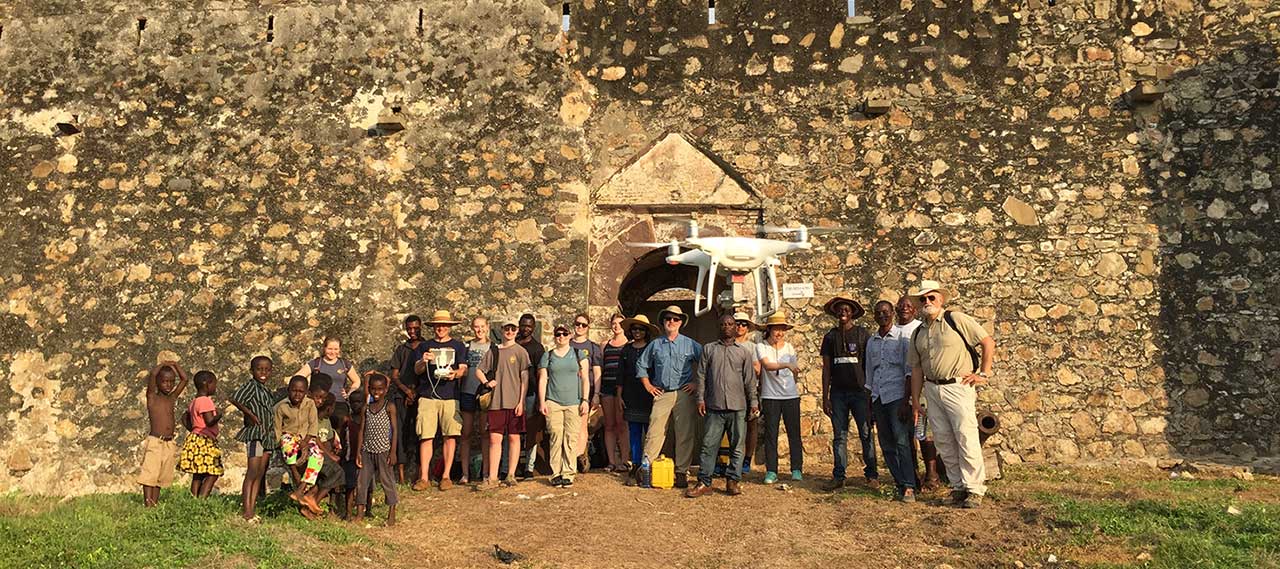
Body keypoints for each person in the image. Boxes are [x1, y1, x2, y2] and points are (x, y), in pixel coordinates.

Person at [907, 280, 996, 509]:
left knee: (965, 436)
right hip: (933, 388)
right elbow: (916, 368)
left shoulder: (955, 319)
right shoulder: (918, 332)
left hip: (958, 385)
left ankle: (974, 488)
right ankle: (958, 487)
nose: (927, 302)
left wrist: (983, 374)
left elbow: (987, 341)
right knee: (944, 439)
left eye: (931, 297)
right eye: (923, 299)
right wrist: (916, 400)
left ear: (941, 299)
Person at [686, 314, 758, 498]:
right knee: (709, 445)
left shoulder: (744, 352)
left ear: (735, 328)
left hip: (738, 406)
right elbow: (701, 376)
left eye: (730, 324)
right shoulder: (709, 349)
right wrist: (700, 399)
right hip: (714, 406)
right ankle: (704, 482)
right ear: (719, 327)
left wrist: (754, 403)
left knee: (737, 446)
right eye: (723, 324)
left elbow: (750, 381)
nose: (727, 327)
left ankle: (733, 481)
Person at [638, 306, 703, 489]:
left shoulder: (690, 344)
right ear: (663, 321)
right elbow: (641, 365)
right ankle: (646, 468)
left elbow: (706, 363)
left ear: (681, 322)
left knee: (685, 432)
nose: (671, 322)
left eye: (675, 319)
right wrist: (648, 385)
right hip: (663, 393)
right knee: (655, 431)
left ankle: (681, 471)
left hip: (684, 393)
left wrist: (697, 383)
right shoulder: (655, 345)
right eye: (668, 318)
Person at [820, 296, 876, 491]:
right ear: (835, 313)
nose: (843, 312)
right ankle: (839, 476)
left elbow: (869, 366)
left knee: (866, 433)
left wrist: (870, 394)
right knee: (839, 436)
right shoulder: (830, 337)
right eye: (839, 310)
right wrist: (824, 396)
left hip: (860, 393)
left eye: (846, 309)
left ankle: (872, 475)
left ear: (852, 313)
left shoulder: (862, 335)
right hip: (838, 394)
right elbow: (826, 369)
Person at [867, 300, 918, 502]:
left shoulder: (902, 339)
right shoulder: (872, 342)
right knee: (886, 443)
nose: (882, 315)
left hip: (897, 396)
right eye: (878, 312)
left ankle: (909, 486)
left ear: (892, 314)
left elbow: (908, 373)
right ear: (874, 316)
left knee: (902, 441)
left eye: (886, 312)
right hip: (879, 396)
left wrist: (907, 401)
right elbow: (869, 374)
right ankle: (899, 481)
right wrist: (870, 402)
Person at [411, 310, 469, 491]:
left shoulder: (458, 346)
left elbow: (464, 369)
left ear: (450, 327)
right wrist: (423, 360)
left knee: (450, 436)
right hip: (427, 396)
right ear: (433, 327)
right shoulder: (424, 346)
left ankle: (446, 476)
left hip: (450, 396)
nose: (441, 328)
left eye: (444, 325)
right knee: (426, 436)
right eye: (438, 325)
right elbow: (417, 370)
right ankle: (424, 477)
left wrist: (455, 374)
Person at [477, 317, 532, 488]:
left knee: (514, 438)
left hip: (514, 401)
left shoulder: (521, 352)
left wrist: (521, 401)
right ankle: (493, 477)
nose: (510, 332)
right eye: (507, 329)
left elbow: (525, 378)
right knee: (495, 439)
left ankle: (511, 475)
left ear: (517, 331)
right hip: (496, 402)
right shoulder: (493, 351)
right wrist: (486, 382)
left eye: (513, 329)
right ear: (501, 330)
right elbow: (479, 370)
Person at [539, 323, 591, 487]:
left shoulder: (578, 354)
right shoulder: (548, 356)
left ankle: (568, 473)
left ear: (569, 336)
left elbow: (585, 379)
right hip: (553, 401)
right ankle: (556, 473)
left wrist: (585, 400)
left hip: (573, 402)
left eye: (564, 334)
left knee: (571, 438)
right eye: (558, 334)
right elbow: (542, 379)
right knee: (555, 436)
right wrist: (542, 402)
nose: (561, 336)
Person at [755, 313, 803, 484]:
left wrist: (791, 376)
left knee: (794, 434)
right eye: (777, 329)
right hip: (770, 396)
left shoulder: (789, 348)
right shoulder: (761, 347)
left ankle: (796, 468)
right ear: (769, 329)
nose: (780, 333)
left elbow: (795, 372)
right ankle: (771, 471)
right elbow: (767, 366)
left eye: (782, 329)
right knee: (771, 434)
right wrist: (786, 365)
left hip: (791, 396)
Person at [895, 296, 936, 491]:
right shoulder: (894, 332)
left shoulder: (921, 329)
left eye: (908, 306)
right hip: (901, 389)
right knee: (907, 435)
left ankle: (931, 474)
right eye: (901, 306)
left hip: (922, 387)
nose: (904, 308)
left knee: (925, 433)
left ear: (915, 311)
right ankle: (913, 474)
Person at [230, 355, 279, 522]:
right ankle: (247, 511)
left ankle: (252, 509)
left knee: (259, 473)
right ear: (252, 371)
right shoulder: (251, 386)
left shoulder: (265, 390)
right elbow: (235, 398)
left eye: (266, 370)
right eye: (259, 369)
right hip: (255, 434)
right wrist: (249, 414)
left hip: (267, 436)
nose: (263, 372)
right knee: (252, 472)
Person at [138, 361, 189, 507]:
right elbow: (153, 374)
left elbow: (184, 379)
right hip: (155, 442)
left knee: (161, 476)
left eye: (171, 382)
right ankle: (148, 506)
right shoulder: (152, 398)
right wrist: (163, 364)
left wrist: (176, 365)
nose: (168, 385)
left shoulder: (171, 398)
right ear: (158, 382)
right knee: (150, 474)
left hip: (169, 442)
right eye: (165, 381)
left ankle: (154, 503)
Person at [354, 373, 399, 525]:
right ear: (369, 389)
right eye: (373, 389)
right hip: (367, 450)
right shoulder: (366, 408)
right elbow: (362, 430)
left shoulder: (389, 406)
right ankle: (360, 513)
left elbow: (395, 429)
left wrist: (393, 452)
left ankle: (391, 513)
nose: (376, 393)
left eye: (380, 389)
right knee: (362, 481)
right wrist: (359, 451)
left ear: (386, 390)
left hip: (383, 450)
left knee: (387, 481)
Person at [389, 314, 425, 483]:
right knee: (401, 432)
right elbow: (395, 375)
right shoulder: (401, 350)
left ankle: (421, 473)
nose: (412, 331)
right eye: (409, 328)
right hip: (401, 395)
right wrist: (406, 391)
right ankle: (401, 475)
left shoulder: (427, 347)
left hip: (421, 394)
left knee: (422, 433)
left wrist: (415, 392)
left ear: (421, 327)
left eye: (415, 328)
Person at [299, 392, 346, 519]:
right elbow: (315, 438)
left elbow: (328, 440)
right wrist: (330, 455)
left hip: (322, 454)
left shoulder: (326, 421)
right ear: (330, 408)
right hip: (313, 454)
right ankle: (312, 502)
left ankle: (310, 505)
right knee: (338, 473)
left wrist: (333, 451)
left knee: (331, 475)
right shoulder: (313, 418)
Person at [294, 336, 362, 423]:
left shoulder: (344, 364)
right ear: (324, 348)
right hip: (318, 404)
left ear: (339, 349)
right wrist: (308, 393)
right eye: (330, 349)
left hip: (339, 403)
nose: (333, 352)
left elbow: (357, 381)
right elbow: (298, 377)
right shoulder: (316, 363)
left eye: (336, 349)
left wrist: (350, 392)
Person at [179, 369, 223, 498]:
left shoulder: (194, 401)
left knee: (198, 474)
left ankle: (194, 499)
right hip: (205, 441)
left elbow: (184, 417)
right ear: (206, 384)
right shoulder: (205, 400)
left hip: (196, 438)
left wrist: (194, 429)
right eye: (214, 383)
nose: (215, 387)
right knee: (213, 472)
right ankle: (202, 499)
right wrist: (218, 415)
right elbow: (209, 421)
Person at [568, 313, 603, 473]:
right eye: (577, 324)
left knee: (582, 426)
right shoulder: (566, 344)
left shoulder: (593, 347)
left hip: (585, 392)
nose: (580, 327)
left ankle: (579, 458)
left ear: (588, 327)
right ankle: (569, 458)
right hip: (567, 391)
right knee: (569, 427)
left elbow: (596, 373)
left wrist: (596, 394)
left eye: (584, 325)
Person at [275, 375, 320, 498]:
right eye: (294, 391)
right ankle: (294, 472)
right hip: (289, 435)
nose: (297, 394)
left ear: (306, 392)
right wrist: (279, 442)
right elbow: (278, 429)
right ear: (289, 390)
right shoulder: (281, 406)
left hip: (306, 437)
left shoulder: (310, 404)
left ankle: (302, 486)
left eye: (301, 391)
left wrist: (305, 442)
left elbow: (313, 425)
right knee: (288, 446)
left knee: (317, 455)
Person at [460, 316, 492, 485]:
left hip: (485, 393)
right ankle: (465, 474)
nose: (479, 330)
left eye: (482, 326)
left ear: (487, 327)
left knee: (485, 434)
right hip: (467, 391)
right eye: (476, 327)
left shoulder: (493, 347)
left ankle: (486, 472)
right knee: (466, 433)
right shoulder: (466, 346)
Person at [514, 313, 545, 479]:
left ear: (533, 327)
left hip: (531, 393)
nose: (526, 328)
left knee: (531, 431)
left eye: (529, 326)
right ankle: (510, 466)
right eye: (523, 325)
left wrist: (540, 398)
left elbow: (541, 374)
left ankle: (529, 467)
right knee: (513, 430)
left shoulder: (537, 348)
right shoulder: (513, 344)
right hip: (512, 392)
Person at [732, 312, 764, 476]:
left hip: (749, 390)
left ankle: (747, 459)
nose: (740, 327)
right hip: (731, 391)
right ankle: (731, 459)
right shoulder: (726, 344)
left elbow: (758, 369)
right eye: (737, 323)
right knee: (731, 426)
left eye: (744, 324)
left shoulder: (752, 347)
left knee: (752, 426)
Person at [599, 313, 630, 472]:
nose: (616, 326)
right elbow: (601, 368)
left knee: (622, 425)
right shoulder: (605, 345)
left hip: (622, 390)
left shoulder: (628, 344)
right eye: (614, 323)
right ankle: (611, 461)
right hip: (607, 388)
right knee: (609, 425)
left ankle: (624, 460)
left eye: (619, 323)